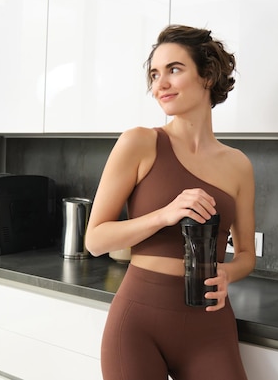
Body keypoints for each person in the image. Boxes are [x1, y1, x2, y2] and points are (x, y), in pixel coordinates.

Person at [85, 25, 256, 380]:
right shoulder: (140, 143)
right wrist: (165, 214)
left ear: (207, 74)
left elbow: (245, 256)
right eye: (154, 74)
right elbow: (96, 239)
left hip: (211, 324)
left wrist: (227, 272)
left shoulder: (239, 165)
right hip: (138, 324)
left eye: (174, 69)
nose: (159, 84)